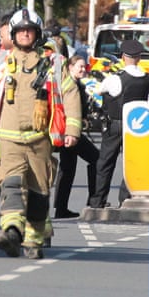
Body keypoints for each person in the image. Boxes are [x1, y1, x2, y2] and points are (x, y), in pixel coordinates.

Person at [0, 8, 81, 259]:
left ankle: (33, 242)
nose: (25, 34)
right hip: (9, 136)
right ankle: (12, 231)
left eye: (30, 30)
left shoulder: (54, 63)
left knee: (39, 192)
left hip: (40, 139)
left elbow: (70, 94)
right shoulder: (2, 62)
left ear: (37, 34)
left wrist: (72, 129)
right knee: (11, 184)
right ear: (13, 35)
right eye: (21, 30)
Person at [89, 39, 149, 209]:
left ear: (123, 57)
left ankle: (98, 199)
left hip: (115, 124)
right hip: (138, 125)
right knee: (132, 162)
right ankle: (126, 197)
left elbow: (98, 90)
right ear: (139, 57)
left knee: (105, 163)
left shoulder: (116, 78)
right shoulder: (147, 78)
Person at [53, 55, 99, 219]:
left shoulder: (77, 84)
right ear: (70, 67)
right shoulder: (70, 85)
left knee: (67, 170)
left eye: (84, 66)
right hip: (70, 133)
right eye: (79, 66)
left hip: (70, 132)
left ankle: (61, 208)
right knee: (96, 159)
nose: (83, 69)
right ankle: (94, 201)